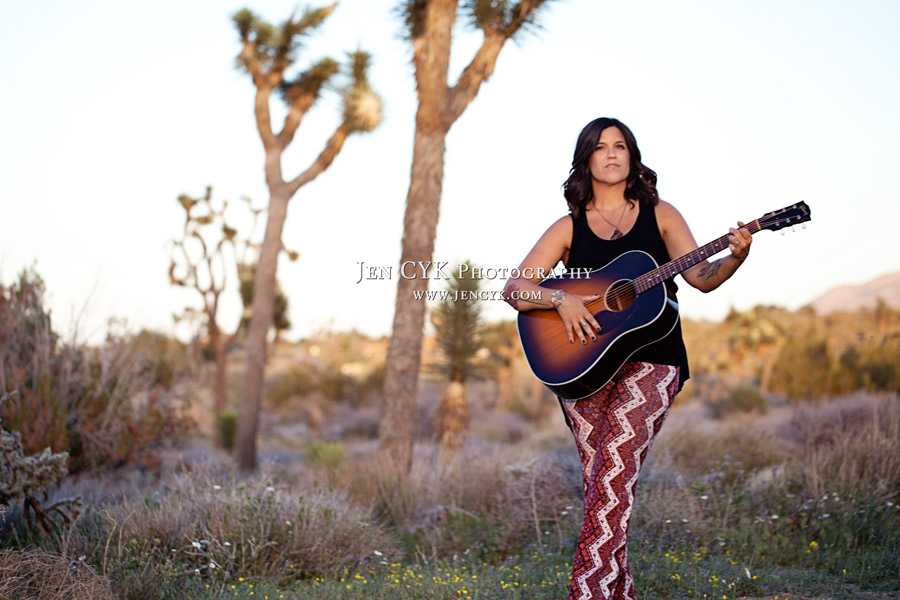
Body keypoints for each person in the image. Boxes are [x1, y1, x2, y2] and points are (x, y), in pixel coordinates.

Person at [502, 117, 751, 600]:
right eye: (601, 148)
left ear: (632, 157)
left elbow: (701, 277)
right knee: (603, 488)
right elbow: (515, 288)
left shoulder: (661, 215)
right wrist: (562, 301)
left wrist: (736, 257)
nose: (612, 154)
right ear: (586, 160)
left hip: (654, 360)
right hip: (582, 366)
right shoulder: (567, 227)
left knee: (615, 472)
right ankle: (619, 593)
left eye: (621, 146)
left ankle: (586, 592)